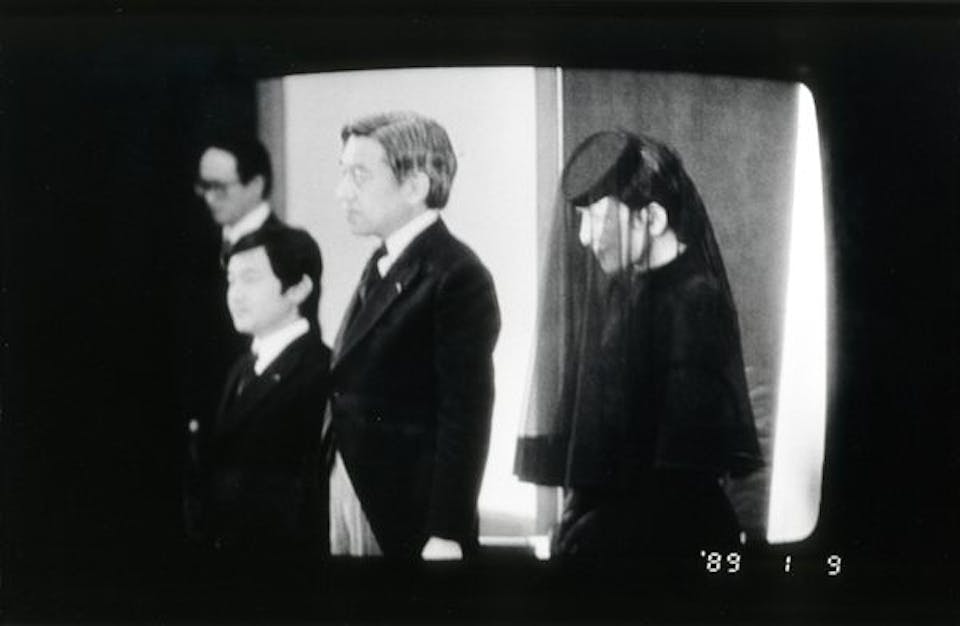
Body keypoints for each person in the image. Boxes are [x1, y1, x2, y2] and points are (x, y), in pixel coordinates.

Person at [514, 130, 763, 559]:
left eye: (597, 218)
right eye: (581, 219)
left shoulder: (695, 301)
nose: (584, 237)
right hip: (620, 527)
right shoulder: (626, 291)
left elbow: (680, 471)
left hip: (673, 537)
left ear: (652, 219)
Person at [325, 111, 501, 560]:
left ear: (415, 186)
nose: (342, 191)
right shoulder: (383, 261)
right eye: (343, 173)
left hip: (406, 516)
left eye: (359, 175)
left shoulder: (457, 274)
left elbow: (466, 415)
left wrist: (447, 531)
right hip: (356, 494)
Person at [186, 224, 330, 579]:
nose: (235, 294)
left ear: (298, 288)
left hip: (280, 571)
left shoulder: (320, 370)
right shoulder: (242, 367)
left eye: (250, 279)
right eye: (231, 280)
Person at [195, 134, 283, 259]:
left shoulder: (291, 249)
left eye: (220, 187)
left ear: (255, 185)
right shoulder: (203, 241)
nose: (209, 198)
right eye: (205, 186)